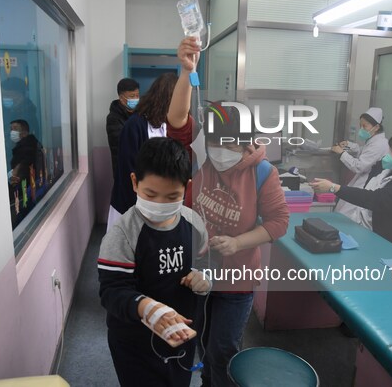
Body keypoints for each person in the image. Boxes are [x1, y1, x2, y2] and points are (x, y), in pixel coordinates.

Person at [97, 137, 209, 387]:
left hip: (180, 334)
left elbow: (206, 263)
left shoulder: (194, 224)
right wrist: (149, 308)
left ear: (186, 188)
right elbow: (112, 291)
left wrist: (203, 279)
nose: (160, 204)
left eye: (172, 196)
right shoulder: (123, 234)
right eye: (151, 194)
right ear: (135, 182)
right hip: (134, 342)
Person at [191, 104, 290, 387]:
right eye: (212, 142)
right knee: (200, 337)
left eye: (228, 143)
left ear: (245, 141)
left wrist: (237, 242)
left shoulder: (262, 172)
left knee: (223, 349)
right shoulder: (200, 161)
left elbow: (279, 221)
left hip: (237, 275)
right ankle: (207, 381)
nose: (219, 150)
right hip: (198, 272)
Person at [108, 37, 201, 228]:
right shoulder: (136, 125)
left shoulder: (173, 126)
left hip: (164, 208)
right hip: (134, 205)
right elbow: (128, 171)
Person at [311, 128, 392, 255]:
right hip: (370, 233)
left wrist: (333, 188)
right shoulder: (390, 166)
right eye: (390, 150)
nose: (388, 156)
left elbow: (375, 199)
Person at [331, 107, 389, 228]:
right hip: (361, 181)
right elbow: (363, 151)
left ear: (376, 127)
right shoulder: (373, 140)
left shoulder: (379, 144)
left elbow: (359, 166)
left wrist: (341, 153)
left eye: (365, 126)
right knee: (342, 213)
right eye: (360, 126)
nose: (361, 129)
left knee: (346, 217)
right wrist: (348, 145)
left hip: (366, 185)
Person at [1, 77, 39, 166]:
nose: (3, 98)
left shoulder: (27, 116)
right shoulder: (8, 111)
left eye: (7, 95)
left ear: (18, 95)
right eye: (2, 95)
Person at [106, 78, 140, 177]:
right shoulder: (113, 118)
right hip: (122, 168)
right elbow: (122, 142)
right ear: (121, 98)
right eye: (132, 96)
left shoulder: (139, 114)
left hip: (139, 168)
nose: (135, 99)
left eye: (137, 95)